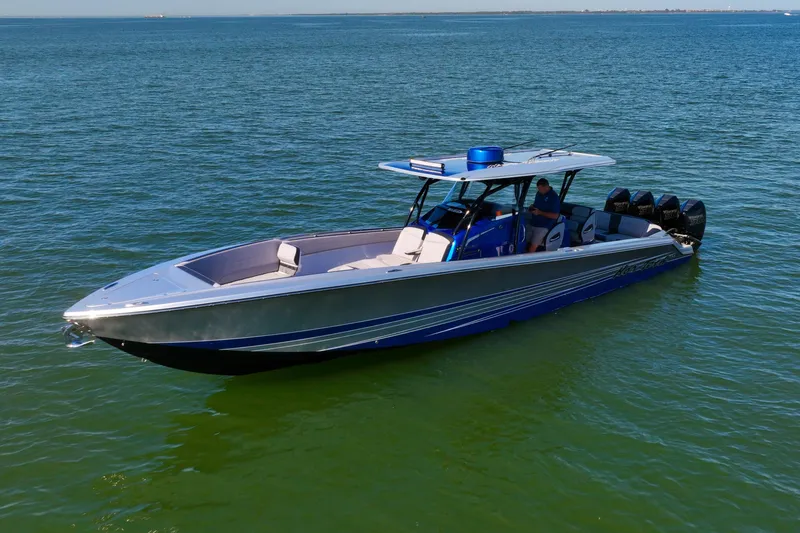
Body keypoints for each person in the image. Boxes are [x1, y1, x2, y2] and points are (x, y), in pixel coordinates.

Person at [525, 178, 561, 252]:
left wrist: (540, 212)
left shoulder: (553, 197)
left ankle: (529, 260)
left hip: (544, 225)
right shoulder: (539, 193)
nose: (539, 191)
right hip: (534, 222)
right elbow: (536, 205)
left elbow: (555, 216)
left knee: (534, 244)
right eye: (538, 189)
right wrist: (532, 207)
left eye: (541, 189)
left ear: (546, 187)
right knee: (522, 239)